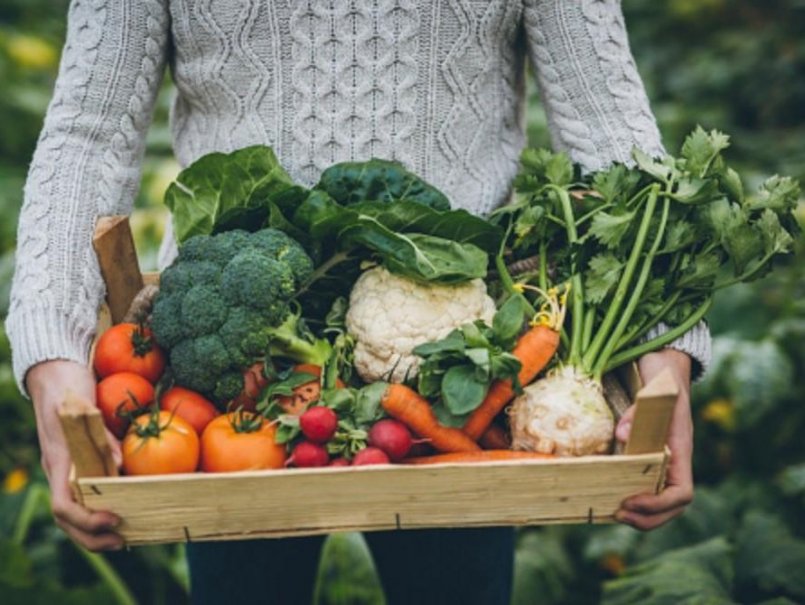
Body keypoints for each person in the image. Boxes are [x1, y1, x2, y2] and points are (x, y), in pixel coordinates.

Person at [6, 1, 710, 603]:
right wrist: (52, 351)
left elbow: (606, 120)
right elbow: (87, 134)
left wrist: (664, 348)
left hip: (460, 369)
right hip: (232, 370)